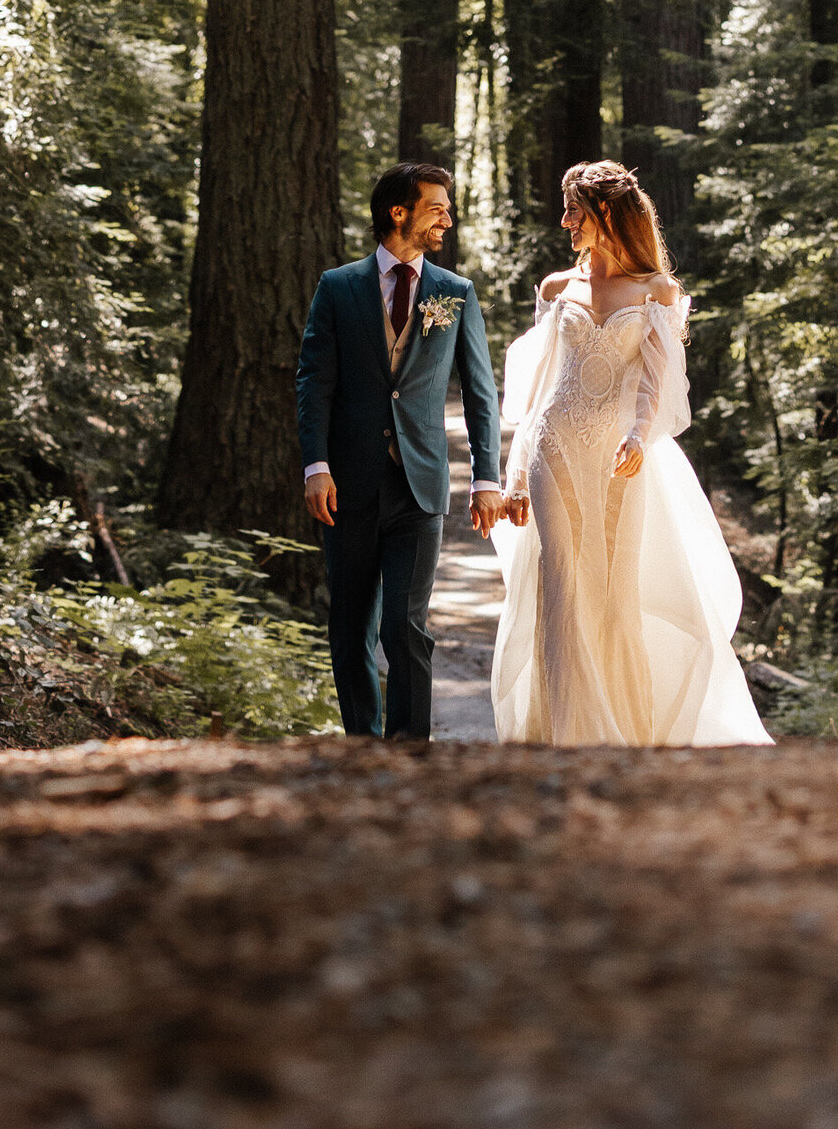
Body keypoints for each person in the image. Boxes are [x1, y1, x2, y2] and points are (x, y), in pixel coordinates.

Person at [491, 160, 772, 748]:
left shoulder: (657, 293)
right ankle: (563, 732)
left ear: (606, 214)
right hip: (553, 445)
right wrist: (515, 471)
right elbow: (538, 384)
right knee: (560, 578)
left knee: (614, 587)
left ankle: (623, 729)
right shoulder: (554, 288)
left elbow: (653, 381)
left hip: (621, 456)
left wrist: (639, 436)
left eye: (575, 209)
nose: (565, 220)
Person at [296, 164, 503, 739]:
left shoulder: (454, 293)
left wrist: (487, 478)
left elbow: (481, 392)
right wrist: (317, 465)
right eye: (437, 207)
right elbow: (315, 381)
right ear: (399, 212)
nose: (447, 218)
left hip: (420, 483)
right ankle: (363, 746)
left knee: (406, 626)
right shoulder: (338, 288)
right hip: (347, 485)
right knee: (350, 625)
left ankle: (412, 752)